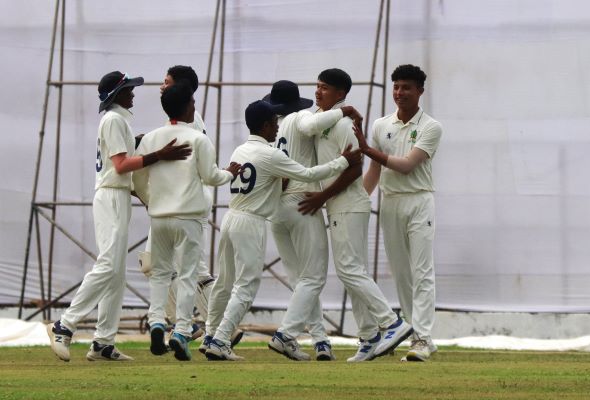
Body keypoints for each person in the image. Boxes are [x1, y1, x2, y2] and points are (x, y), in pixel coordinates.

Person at [47, 71, 192, 362]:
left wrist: (142, 148)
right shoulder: (113, 119)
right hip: (111, 195)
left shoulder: (120, 120)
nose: (134, 93)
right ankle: (65, 324)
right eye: (128, 89)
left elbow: (125, 160)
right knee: (108, 264)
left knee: (116, 272)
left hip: (118, 195)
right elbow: (122, 165)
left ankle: (103, 343)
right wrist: (159, 155)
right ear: (117, 94)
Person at [204, 100, 362, 361]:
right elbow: (309, 174)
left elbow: (268, 179)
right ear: (266, 125)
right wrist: (343, 161)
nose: (277, 129)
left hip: (230, 218)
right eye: (274, 125)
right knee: (245, 287)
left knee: (226, 281)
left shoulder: (240, 150)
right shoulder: (270, 154)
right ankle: (220, 339)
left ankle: (212, 335)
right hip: (251, 222)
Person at [298, 68, 413, 362]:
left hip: (349, 204)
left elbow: (355, 169)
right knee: (353, 271)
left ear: (340, 94)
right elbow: (306, 127)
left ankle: (392, 323)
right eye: (317, 86)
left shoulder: (344, 124)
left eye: (324, 88)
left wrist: (323, 196)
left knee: (350, 269)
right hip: (340, 205)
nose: (317, 92)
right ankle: (369, 336)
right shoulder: (326, 119)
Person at [132, 83, 241, 361]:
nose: (195, 106)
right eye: (193, 102)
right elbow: (210, 177)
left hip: (159, 216)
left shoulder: (151, 138)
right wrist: (229, 172)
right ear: (187, 106)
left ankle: (156, 323)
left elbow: (139, 179)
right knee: (188, 275)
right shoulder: (197, 139)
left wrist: (151, 200)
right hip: (189, 217)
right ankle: (180, 332)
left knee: (160, 274)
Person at [264, 80, 362, 361]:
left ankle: (320, 340)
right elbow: (309, 127)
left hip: (276, 209)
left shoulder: (274, 127)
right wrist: (345, 111)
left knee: (301, 281)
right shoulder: (299, 116)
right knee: (313, 277)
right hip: (301, 201)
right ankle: (285, 334)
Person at [354, 64, 442, 362]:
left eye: (406, 87)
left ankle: (423, 339)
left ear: (419, 91)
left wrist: (367, 149)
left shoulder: (430, 126)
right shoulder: (381, 125)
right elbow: (375, 171)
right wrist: (358, 202)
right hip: (390, 202)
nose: (399, 93)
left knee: (422, 271)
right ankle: (412, 334)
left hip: (419, 201)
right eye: (396, 87)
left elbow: (406, 165)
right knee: (402, 274)